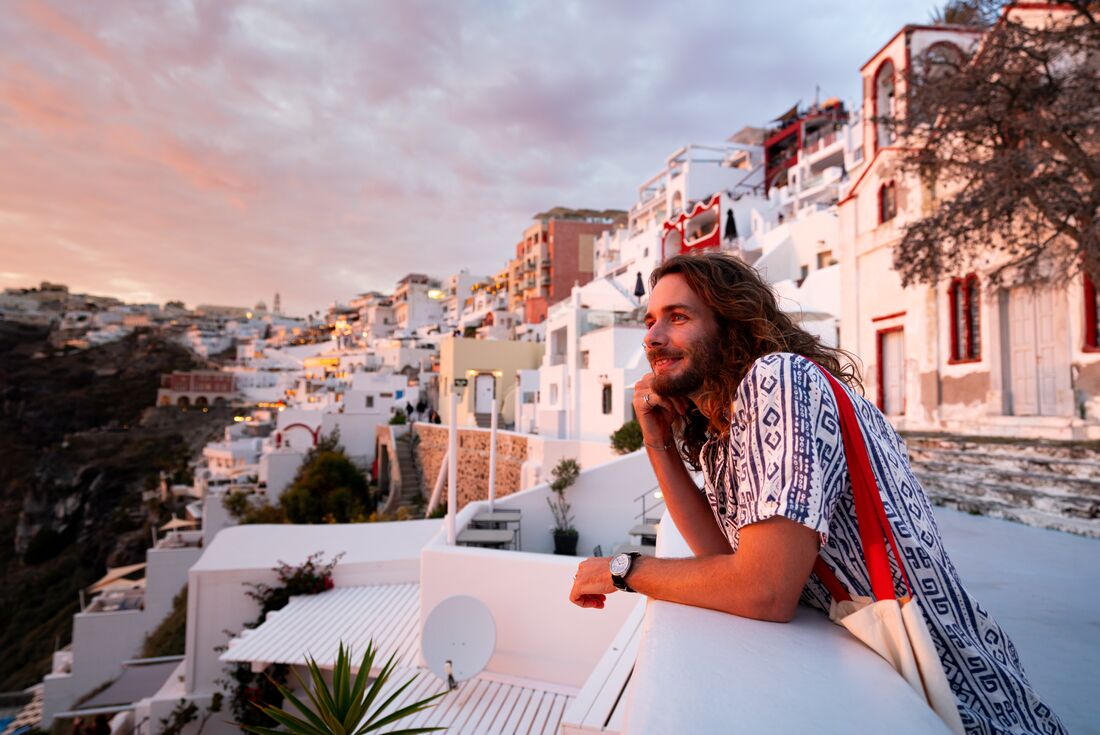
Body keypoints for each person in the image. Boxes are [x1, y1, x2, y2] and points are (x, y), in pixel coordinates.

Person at [569, 252, 1064, 735]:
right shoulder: (727, 434)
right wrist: (658, 443)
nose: (653, 337)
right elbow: (720, 561)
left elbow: (764, 590)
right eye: (651, 321)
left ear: (733, 324)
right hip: (901, 668)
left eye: (678, 317)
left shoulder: (780, 378)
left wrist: (623, 570)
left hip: (963, 690)